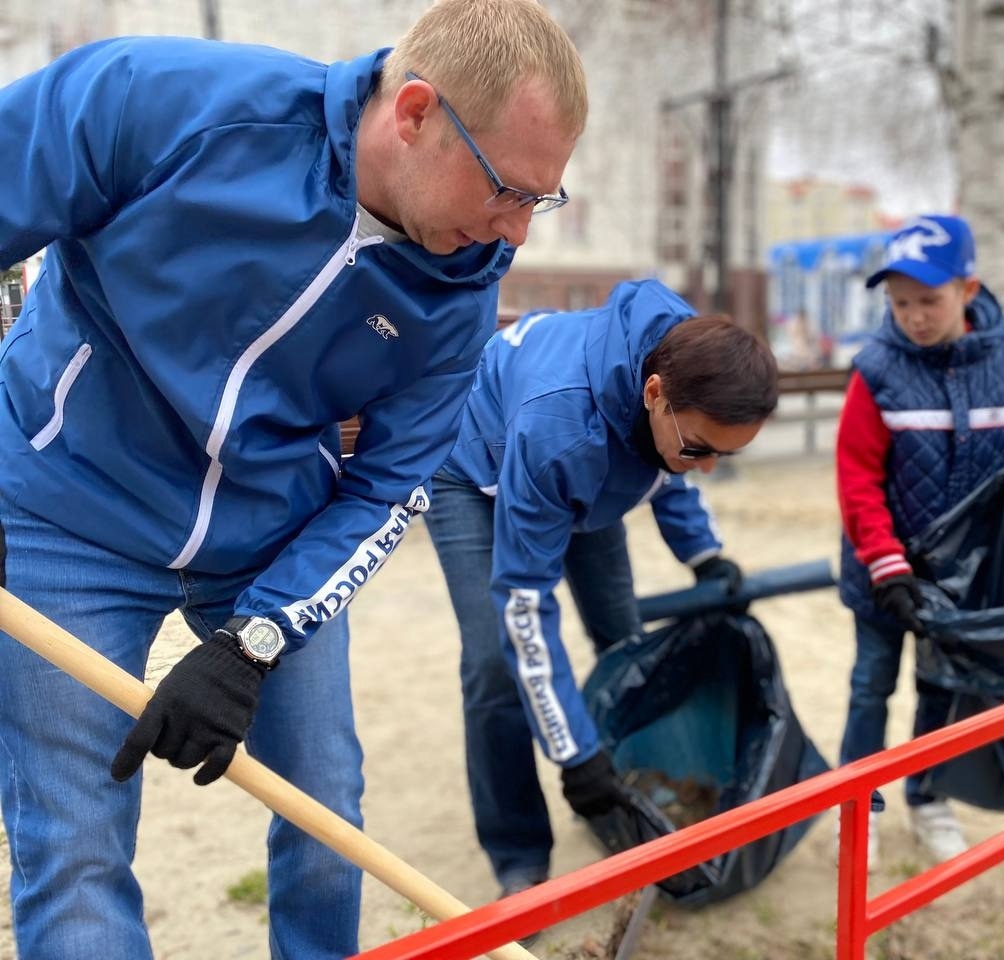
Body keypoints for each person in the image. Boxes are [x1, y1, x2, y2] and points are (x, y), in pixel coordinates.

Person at [0, 1, 587, 957]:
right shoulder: (156, 104)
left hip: (272, 536)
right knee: (73, 851)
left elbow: (387, 487)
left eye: (541, 200)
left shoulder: (460, 290)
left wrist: (257, 640)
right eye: (507, 191)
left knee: (327, 815)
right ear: (415, 114)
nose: (517, 233)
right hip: (67, 513)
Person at [426, 279, 776, 911]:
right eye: (700, 449)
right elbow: (524, 605)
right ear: (653, 394)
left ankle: (632, 788)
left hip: (596, 461)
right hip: (477, 472)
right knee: (494, 663)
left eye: (726, 454)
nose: (707, 466)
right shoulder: (559, 431)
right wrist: (572, 754)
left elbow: (677, 468)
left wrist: (705, 556)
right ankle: (519, 857)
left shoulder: (684, 359)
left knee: (621, 635)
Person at [835, 214, 1004, 869]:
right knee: (869, 688)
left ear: (968, 290)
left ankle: (928, 794)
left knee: (941, 690)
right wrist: (886, 564)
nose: (913, 317)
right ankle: (861, 806)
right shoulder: (876, 371)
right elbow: (856, 476)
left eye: (928, 301)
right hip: (885, 575)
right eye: (899, 303)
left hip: (963, 579)